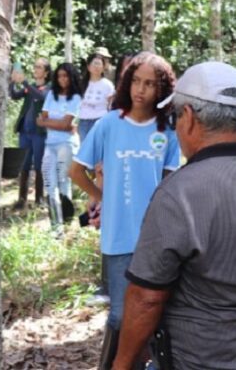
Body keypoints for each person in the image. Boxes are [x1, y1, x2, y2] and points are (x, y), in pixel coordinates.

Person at [113, 61, 236, 370]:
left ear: (189, 118)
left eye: (175, 118)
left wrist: (122, 363)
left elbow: (147, 297)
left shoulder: (178, 193)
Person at [69, 52, 180, 369]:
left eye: (150, 84)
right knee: (120, 313)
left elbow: (170, 182)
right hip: (118, 234)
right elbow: (77, 171)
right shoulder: (109, 124)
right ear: (126, 82)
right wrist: (103, 197)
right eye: (136, 81)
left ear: (162, 90)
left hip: (155, 238)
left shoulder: (167, 132)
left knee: (152, 309)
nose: (141, 90)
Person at [36, 62, 82, 235]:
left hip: (67, 145)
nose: (63, 79)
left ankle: (67, 224)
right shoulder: (51, 96)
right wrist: (59, 124)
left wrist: (50, 123)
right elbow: (40, 120)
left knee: (63, 183)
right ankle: (56, 227)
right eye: (60, 76)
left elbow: (65, 125)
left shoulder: (76, 98)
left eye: (66, 76)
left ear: (72, 77)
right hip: (50, 145)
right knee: (50, 184)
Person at [9, 58, 51, 209]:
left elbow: (41, 97)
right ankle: (22, 199)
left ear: (46, 72)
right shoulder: (30, 87)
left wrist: (25, 82)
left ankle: (39, 198)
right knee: (24, 164)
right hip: (25, 132)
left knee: (39, 164)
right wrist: (12, 81)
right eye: (35, 66)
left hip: (39, 132)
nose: (36, 69)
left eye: (39, 67)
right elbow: (14, 96)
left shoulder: (49, 88)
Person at [78, 53, 115, 142]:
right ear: (88, 66)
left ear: (103, 67)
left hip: (100, 120)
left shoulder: (107, 85)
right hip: (83, 121)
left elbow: (111, 105)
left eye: (99, 64)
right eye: (94, 63)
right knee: (85, 150)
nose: (97, 66)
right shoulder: (82, 84)